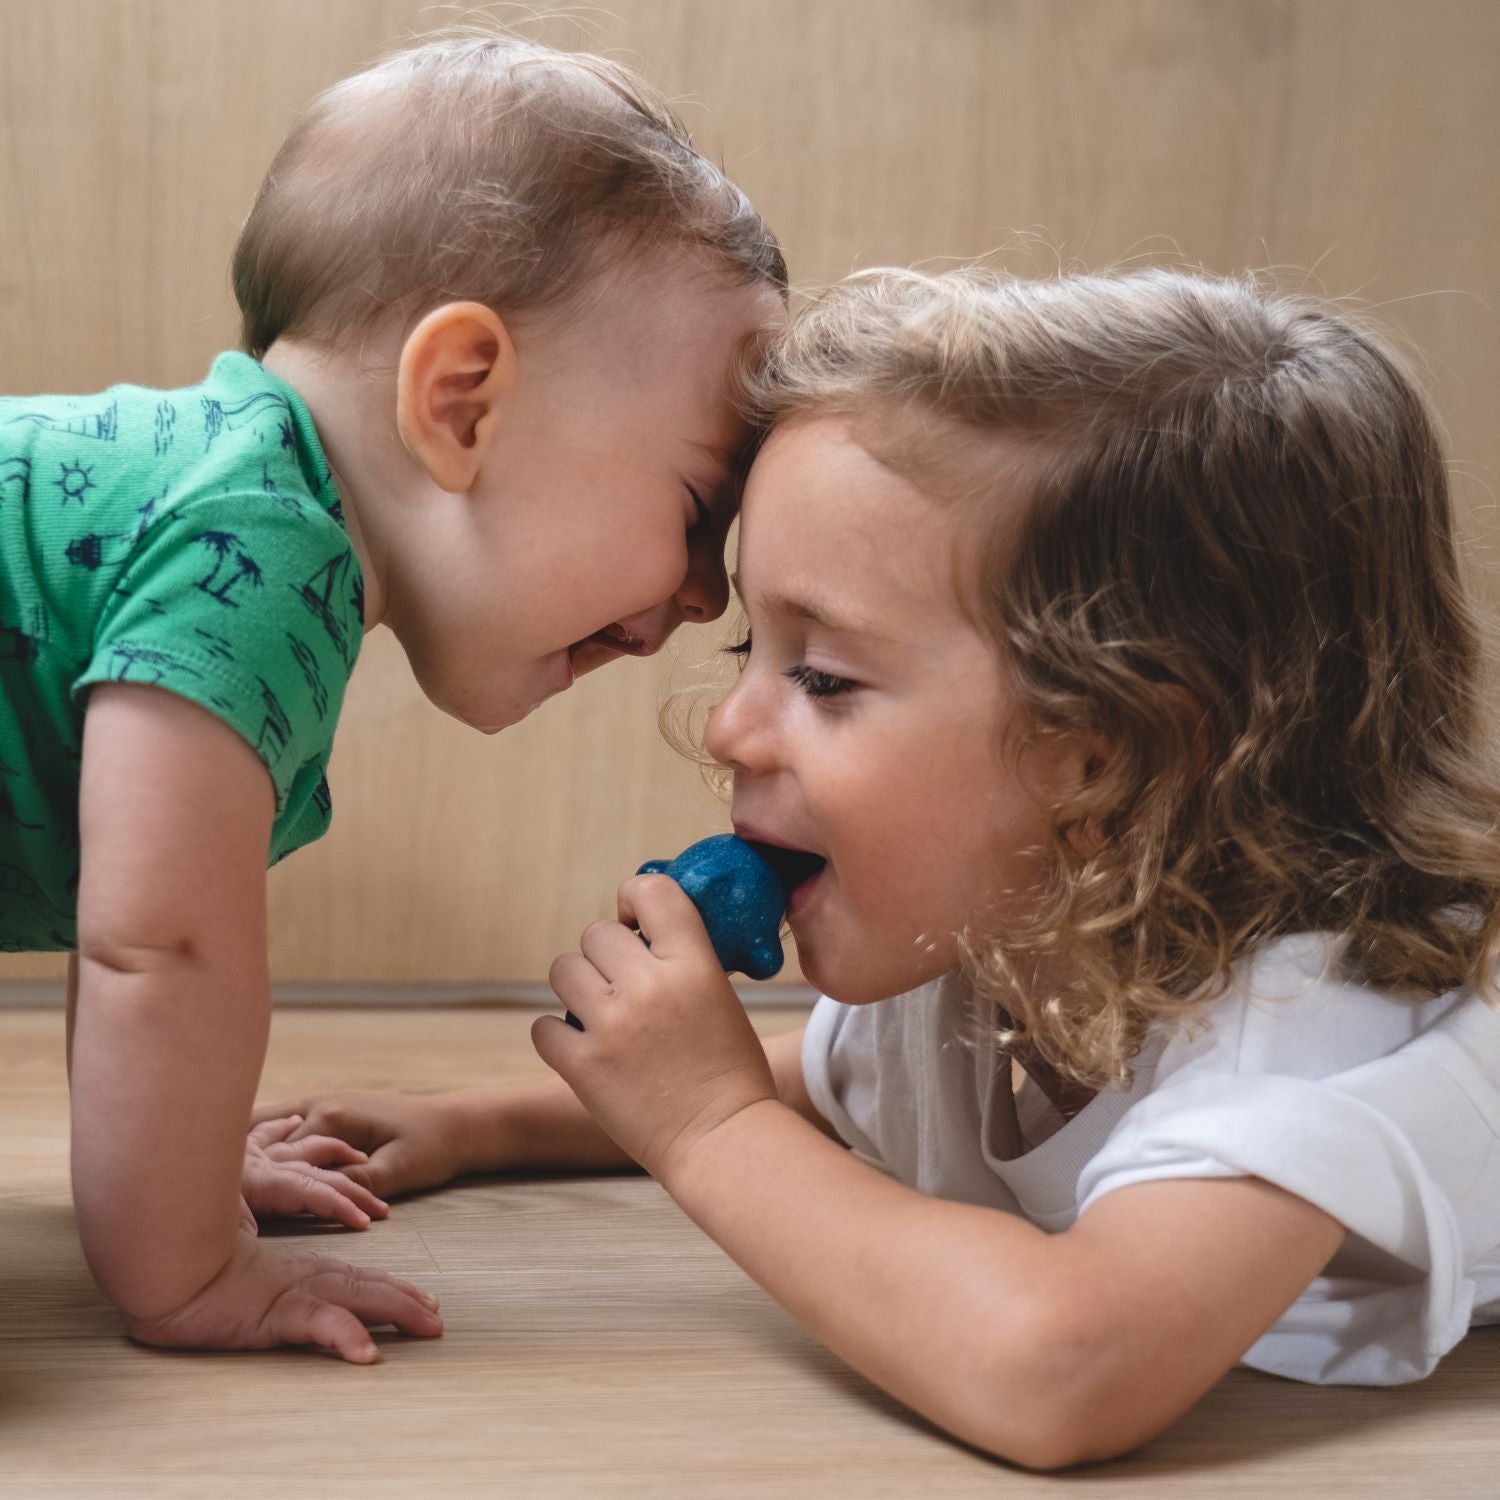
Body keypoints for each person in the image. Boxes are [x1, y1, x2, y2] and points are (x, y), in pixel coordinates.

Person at [262, 264, 1500, 1462]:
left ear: (1108, 753)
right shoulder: (1012, 936)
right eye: (755, 642)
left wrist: (706, 1126)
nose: (729, 725)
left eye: (824, 677)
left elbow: (1064, 1371)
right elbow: (831, 1077)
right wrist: (478, 1127)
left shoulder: (1307, 1019)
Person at [0, 34, 786, 1364]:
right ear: (464, 402)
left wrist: (174, 1176)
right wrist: (190, 1269)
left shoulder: (227, 503)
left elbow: (120, 926)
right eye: (702, 506)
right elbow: (162, 954)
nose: (710, 597)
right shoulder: (262, 551)